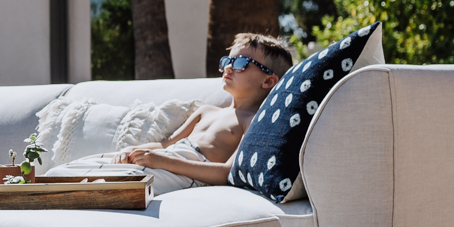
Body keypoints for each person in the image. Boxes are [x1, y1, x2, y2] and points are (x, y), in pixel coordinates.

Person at [51, 33, 293, 192]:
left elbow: (228, 173)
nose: (229, 67)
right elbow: (166, 145)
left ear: (269, 81)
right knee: (65, 171)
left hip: (186, 171)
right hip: (165, 160)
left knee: (115, 186)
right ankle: (35, 190)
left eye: (241, 64)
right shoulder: (205, 112)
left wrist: (163, 161)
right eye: (226, 61)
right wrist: (133, 151)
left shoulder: (253, 122)